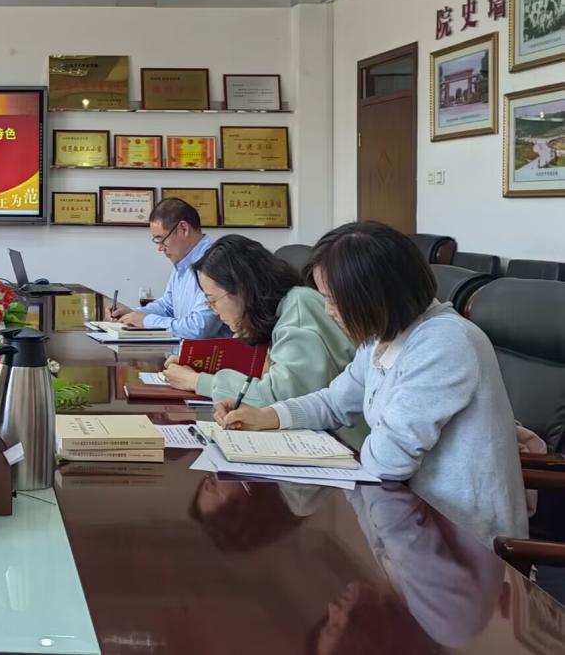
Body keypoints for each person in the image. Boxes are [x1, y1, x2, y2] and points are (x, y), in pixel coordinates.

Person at [217, 221, 527, 547]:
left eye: (333, 299)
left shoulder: (444, 342)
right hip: (405, 519)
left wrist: (333, 459)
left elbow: (389, 459)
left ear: (373, 296)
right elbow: (335, 401)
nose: (327, 311)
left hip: (462, 541)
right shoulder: (383, 334)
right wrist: (268, 416)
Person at [161, 235, 360, 435]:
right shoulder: (273, 312)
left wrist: (197, 381)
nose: (214, 311)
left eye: (213, 301)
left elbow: (278, 399)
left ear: (242, 289)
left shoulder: (299, 308)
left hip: (347, 439)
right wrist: (199, 365)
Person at [108, 197, 228, 339]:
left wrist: (146, 321)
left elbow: (199, 328)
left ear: (183, 229)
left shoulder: (215, 261)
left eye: (161, 239)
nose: (159, 248)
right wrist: (133, 314)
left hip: (213, 352)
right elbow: (168, 306)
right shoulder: (182, 261)